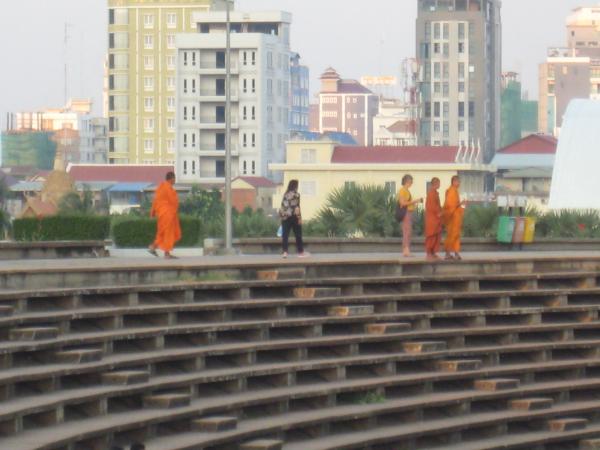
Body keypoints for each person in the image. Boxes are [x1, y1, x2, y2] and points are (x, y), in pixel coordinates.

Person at [148, 172, 181, 259]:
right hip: (168, 214)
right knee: (167, 234)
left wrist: (153, 212)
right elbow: (174, 201)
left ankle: (153, 247)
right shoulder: (168, 188)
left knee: (162, 233)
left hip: (162, 214)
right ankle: (166, 254)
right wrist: (175, 209)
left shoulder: (161, 187)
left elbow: (155, 201)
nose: (175, 180)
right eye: (174, 178)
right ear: (171, 179)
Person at [279, 179, 309, 259]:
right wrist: (299, 218)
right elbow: (297, 207)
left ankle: (285, 252)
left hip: (285, 217)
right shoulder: (296, 194)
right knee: (298, 234)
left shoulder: (285, 194)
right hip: (293, 216)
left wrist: (282, 216)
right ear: (295, 186)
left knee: (285, 235)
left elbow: (283, 206)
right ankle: (300, 252)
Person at [397, 174, 423, 257]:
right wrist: (415, 201)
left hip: (409, 212)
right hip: (405, 213)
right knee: (406, 231)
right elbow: (402, 203)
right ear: (406, 182)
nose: (411, 184)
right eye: (410, 182)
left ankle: (407, 250)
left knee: (408, 231)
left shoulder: (407, 191)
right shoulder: (402, 191)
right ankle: (406, 250)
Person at [443, 175, 466, 260]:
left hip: (455, 216)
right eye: (457, 181)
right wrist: (460, 203)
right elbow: (449, 204)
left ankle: (455, 253)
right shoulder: (451, 191)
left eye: (459, 182)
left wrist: (461, 205)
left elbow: (455, 204)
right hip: (452, 217)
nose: (459, 183)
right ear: (453, 182)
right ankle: (448, 253)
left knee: (456, 235)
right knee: (451, 235)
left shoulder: (455, 191)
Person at [424, 177, 443, 260]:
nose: (439, 185)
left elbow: (438, 205)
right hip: (432, 218)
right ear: (435, 184)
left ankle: (433, 252)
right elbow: (431, 206)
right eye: (438, 183)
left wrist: (441, 211)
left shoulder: (435, 193)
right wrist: (438, 212)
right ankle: (428, 253)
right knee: (431, 235)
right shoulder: (431, 193)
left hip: (437, 218)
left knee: (436, 235)